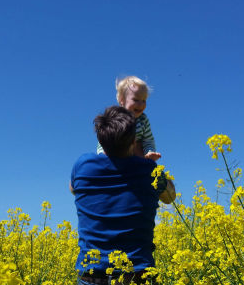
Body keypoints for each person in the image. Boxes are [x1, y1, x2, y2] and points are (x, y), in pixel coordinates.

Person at [71, 106, 176, 285]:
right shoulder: (148, 170)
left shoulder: (82, 166)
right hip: (137, 277)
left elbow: (74, 189)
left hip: (92, 277)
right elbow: (170, 196)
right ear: (134, 139)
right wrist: (147, 164)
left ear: (100, 139)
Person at [97, 76, 161, 161]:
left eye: (144, 100)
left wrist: (149, 152)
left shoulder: (143, 120)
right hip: (117, 157)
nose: (141, 104)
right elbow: (104, 138)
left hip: (136, 159)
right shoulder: (115, 117)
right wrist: (102, 154)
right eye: (136, 100)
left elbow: (148, 140)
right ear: (122, 100)